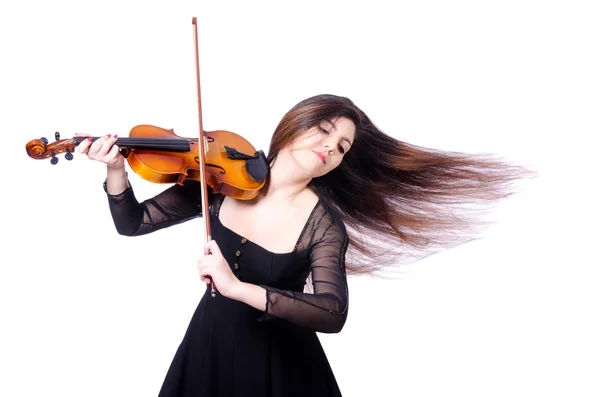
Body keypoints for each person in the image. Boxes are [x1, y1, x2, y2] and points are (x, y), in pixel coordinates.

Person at [76, 94, 534, 396]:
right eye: (325, 130)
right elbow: (132, 224)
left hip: (279, 371)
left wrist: (238, 288)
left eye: (342, 147)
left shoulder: (323, 225)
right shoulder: (220, 176)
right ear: (298, 122)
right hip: (209, 347)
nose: (330, 148)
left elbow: (332, 312)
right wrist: (116, 170)